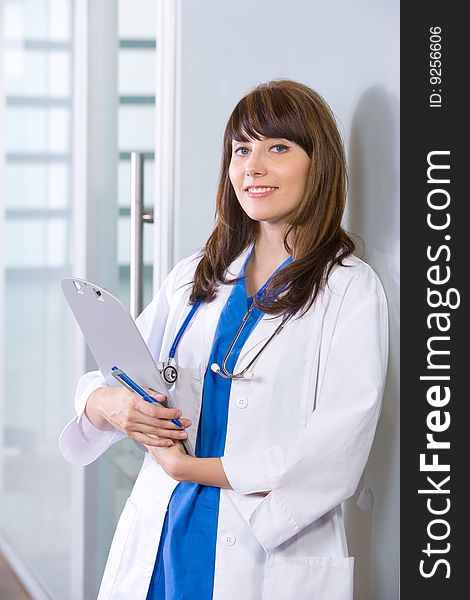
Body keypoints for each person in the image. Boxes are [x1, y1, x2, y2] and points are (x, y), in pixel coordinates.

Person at [59, 79, 389, 600]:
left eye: (277, 147)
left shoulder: (348, 288)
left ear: (317, 163)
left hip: (265, 546)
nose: (252, 167)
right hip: (166, 531)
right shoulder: (197, 275)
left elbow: (336, 448)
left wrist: (191, 467)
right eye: (241, 149)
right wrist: (108, 403)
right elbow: (116, 374)